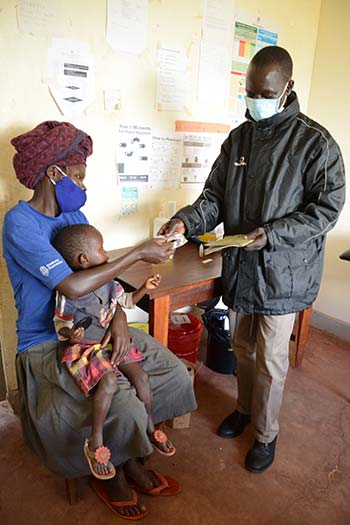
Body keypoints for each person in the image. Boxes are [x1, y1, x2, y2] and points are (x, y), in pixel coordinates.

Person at [159, 46, 345, 473]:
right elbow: (214, 199)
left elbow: (326, 210)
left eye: (264, 92)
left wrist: (273, 234)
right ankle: (243, 409)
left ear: (287, 89)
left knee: (271, 360)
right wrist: (185, 222)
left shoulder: (315, 144)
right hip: (241, 268)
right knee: (241, 347)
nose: (255, 100)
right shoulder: (238, 139)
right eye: (249, 91)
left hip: (283, 274)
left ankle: (266, 432)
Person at [2, 120, 196, 520]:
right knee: (120, 402)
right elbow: (73, 287)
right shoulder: (19, 223)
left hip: (102, 325)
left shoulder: (74, 218)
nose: (83, 186)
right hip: (50, 339)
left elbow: (104, 276)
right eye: (77, 176)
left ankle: (132, 456)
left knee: (171, 373)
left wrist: (121, 316)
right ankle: (115, 473)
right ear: (53, 174)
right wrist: (139, 253)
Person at [52, 223, 176, 480]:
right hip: (86, 347)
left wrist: (144, 288)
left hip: (110, 341)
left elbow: (126, 301)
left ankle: (150, 425)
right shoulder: (68, 293)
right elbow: (60, 324)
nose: (107, 254)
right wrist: (69, 334)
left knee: (140, 377)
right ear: (84, 260)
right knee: (107, 382)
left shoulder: (108, 280)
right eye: (101, 249)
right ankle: (94, 439)